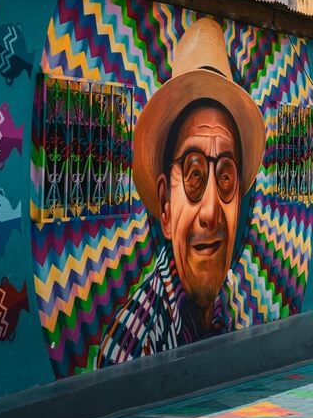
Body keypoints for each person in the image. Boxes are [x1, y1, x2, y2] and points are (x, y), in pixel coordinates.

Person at [99, 18, 265, 367]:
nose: (210, 212)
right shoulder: (133, 344)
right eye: (193, 174)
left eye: (225, 177)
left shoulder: (233, 305)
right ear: (165, 204)